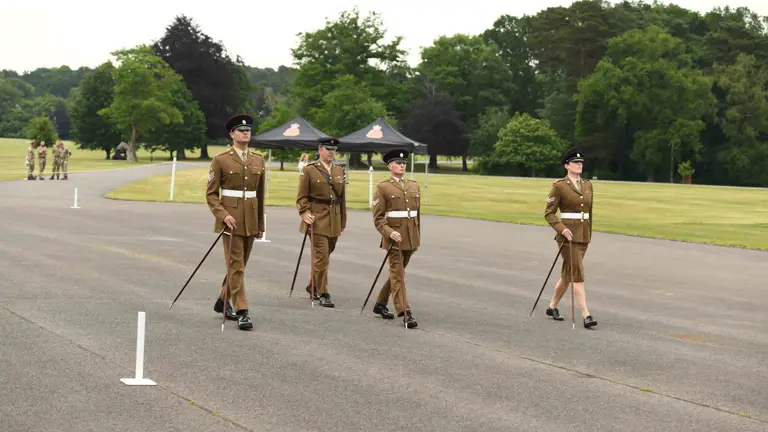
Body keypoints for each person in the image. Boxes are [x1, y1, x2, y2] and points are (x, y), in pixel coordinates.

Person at [205, 113, 266, 330]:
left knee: (238, 266)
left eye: (248, 130)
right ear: (232, 134)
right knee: (237, 266)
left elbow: (260, 195)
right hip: (230, 220)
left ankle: (223, 300)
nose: (245, 133)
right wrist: (223, 215)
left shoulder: (258, 159)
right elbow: (211, 195)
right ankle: (242, 311)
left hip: (250, 219)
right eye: (241, 131)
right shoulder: (220, 159)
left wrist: (261, 225)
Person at [544, 147, 597, 328]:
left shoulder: (588, 185)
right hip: (567, 237)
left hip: (583, 236)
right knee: (578, 274)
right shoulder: (559, 186)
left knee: (568, 275)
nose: (579, 165)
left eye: (581, 163)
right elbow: (549, 214)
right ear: (567, 165)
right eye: (575, 162)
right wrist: (561, 229)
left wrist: (588, 233)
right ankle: (586, 315)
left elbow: (589, 212)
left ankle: (552, 307)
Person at [371, 149, 420, 328]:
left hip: (410, 238)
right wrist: (389, 232)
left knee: (396, 274)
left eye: (404, 163)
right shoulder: (383, 187)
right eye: (398, 163)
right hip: (394, 238)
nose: (402, 165)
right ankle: (405, 312)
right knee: (398, 274)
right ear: (390, 166)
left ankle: (380, 304)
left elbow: (416, 216)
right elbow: (378, 218)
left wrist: (416, 238)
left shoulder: (414, 186)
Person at [295, 137, 347, 307]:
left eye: (334, 149)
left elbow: (342, 198)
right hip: (317, 218)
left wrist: (343, 219)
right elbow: (302, 196)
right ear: (320, 149)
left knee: (325, 255)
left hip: (334, 218)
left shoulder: (339, 170)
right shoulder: (309, 170)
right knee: (322, 257)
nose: (331, 152)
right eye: (328, 149)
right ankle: (323, 292)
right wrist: (304, 212)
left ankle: (313, 285)